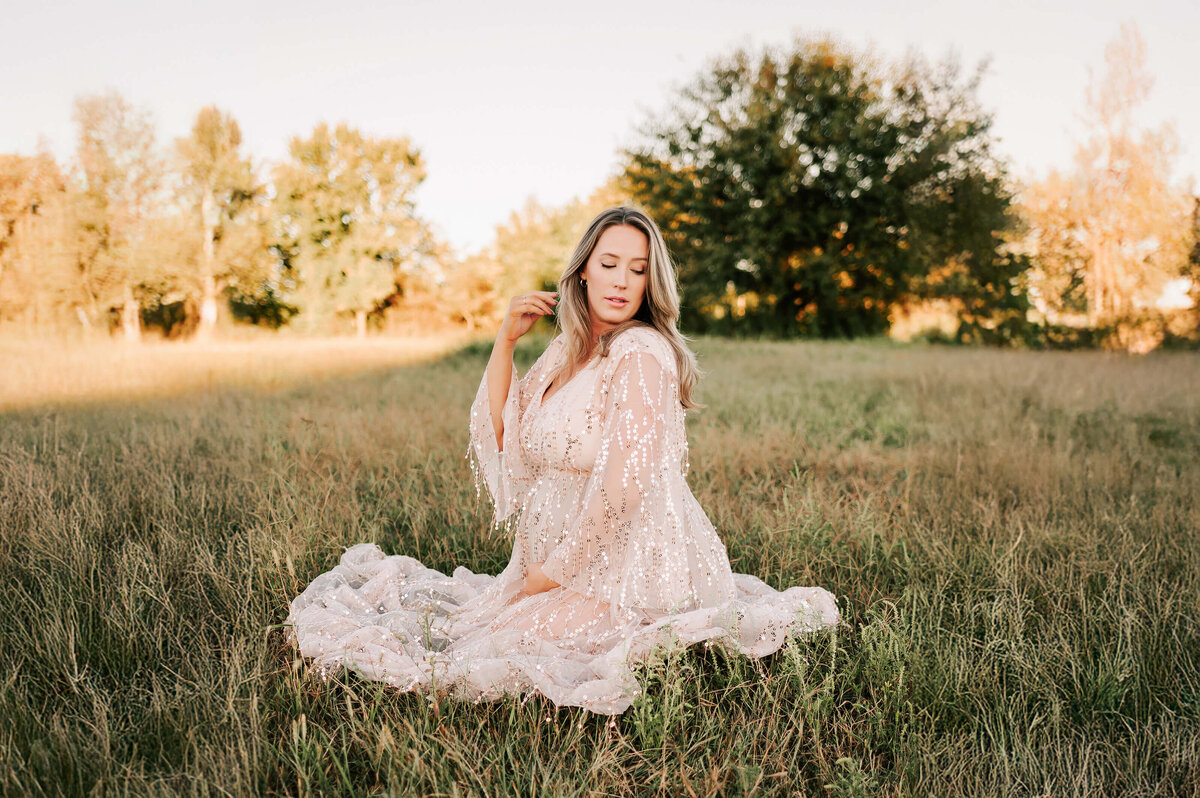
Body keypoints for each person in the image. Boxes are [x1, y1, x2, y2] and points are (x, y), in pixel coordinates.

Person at [285, 206, 840, 714]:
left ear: (652, 282)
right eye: (610, 263)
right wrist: (504, 342)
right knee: (463, 632)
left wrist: (550, 575)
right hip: (559, 556)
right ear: (583, 272)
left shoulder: (641, 353)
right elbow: (504, 432)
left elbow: (624, 489)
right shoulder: (565, 351)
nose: (623, 281)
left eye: (639, 269)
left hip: (628, 566)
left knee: (485, 657)